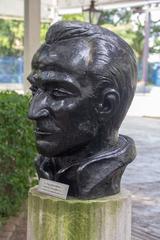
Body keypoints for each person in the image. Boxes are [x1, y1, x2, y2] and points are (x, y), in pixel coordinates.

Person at [28, 21, 137, 199]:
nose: (33, 111)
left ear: (106, 105)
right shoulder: (47, 164)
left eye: (58, 93)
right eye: (35, 90)